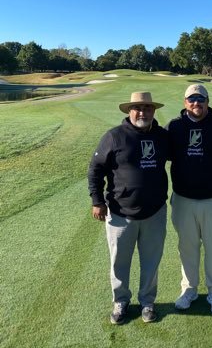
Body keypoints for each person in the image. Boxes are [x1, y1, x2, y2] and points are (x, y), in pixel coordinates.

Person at [88, 92, 168, 325]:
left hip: (154, 212)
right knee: (119, 262)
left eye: (147, 108)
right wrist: (97, 201)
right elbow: (95, 169)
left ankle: (147, 302)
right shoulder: (114, 136)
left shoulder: (162, 136)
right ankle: (121, 301)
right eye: (137, 108)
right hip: (120, 213)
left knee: (151, 261)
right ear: (129, 111)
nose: (142, 112)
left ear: (154, 111)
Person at [166, 84, 212, 315]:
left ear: (208, 101)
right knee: (187, 247)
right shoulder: (174, 127)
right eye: (191, 99)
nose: (196, 103)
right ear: (185, 102)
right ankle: (189, 289)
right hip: (183, 199)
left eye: (201, 99)